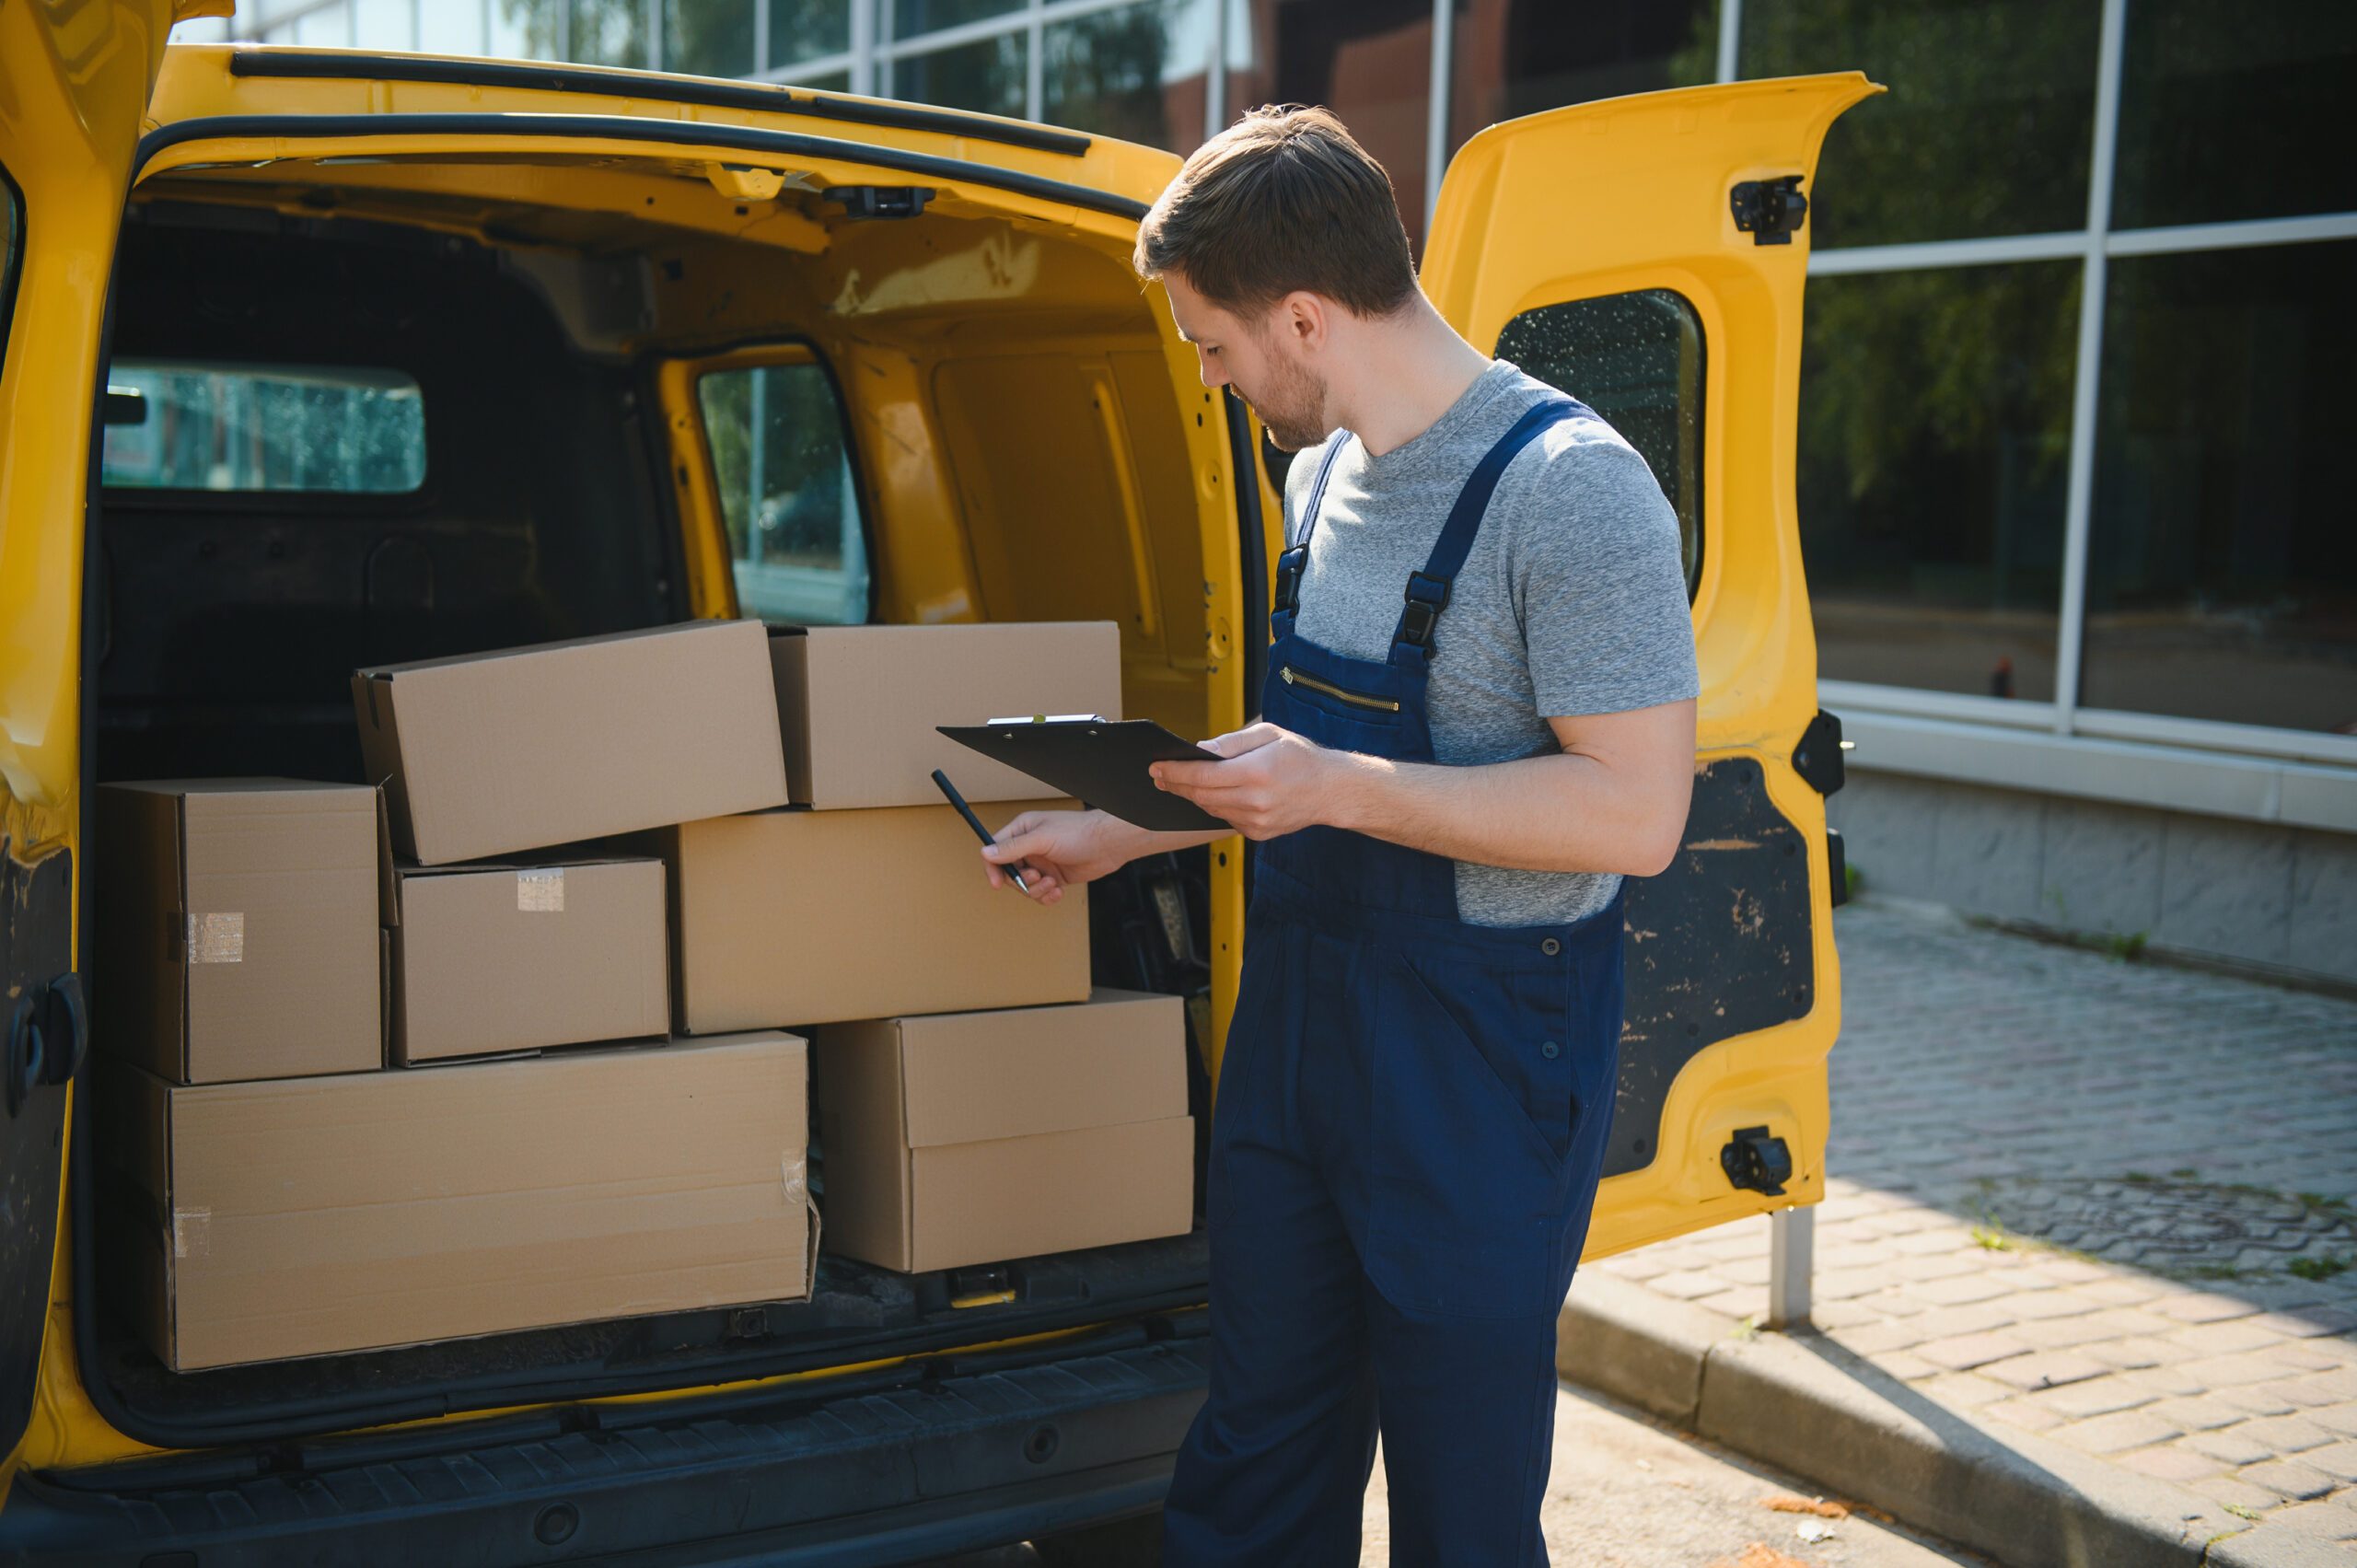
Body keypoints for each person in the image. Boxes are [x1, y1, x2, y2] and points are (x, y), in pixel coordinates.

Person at [978, 103, 1700, 1566]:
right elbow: (1284, 770)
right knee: (1256, 1455)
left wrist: (1339, 790)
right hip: (1301, 1035)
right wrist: (1120, 830)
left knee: (1459, 1503)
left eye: (1212, 345)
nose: (1208, 374)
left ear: (1302, 316)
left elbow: (1638, 813)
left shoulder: (1572, 494)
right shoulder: (1316, 481)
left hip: (1478, 1068)